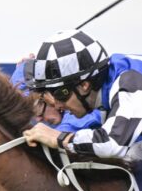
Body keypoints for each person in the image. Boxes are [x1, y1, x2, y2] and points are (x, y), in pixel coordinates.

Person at [21, 29, 142, 161]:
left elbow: (112, 145)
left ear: (84, 85)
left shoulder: (130, 80)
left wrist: (60, 138)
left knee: (133, 156)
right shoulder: (107, 87)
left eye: (61, 94)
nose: (57, 105)